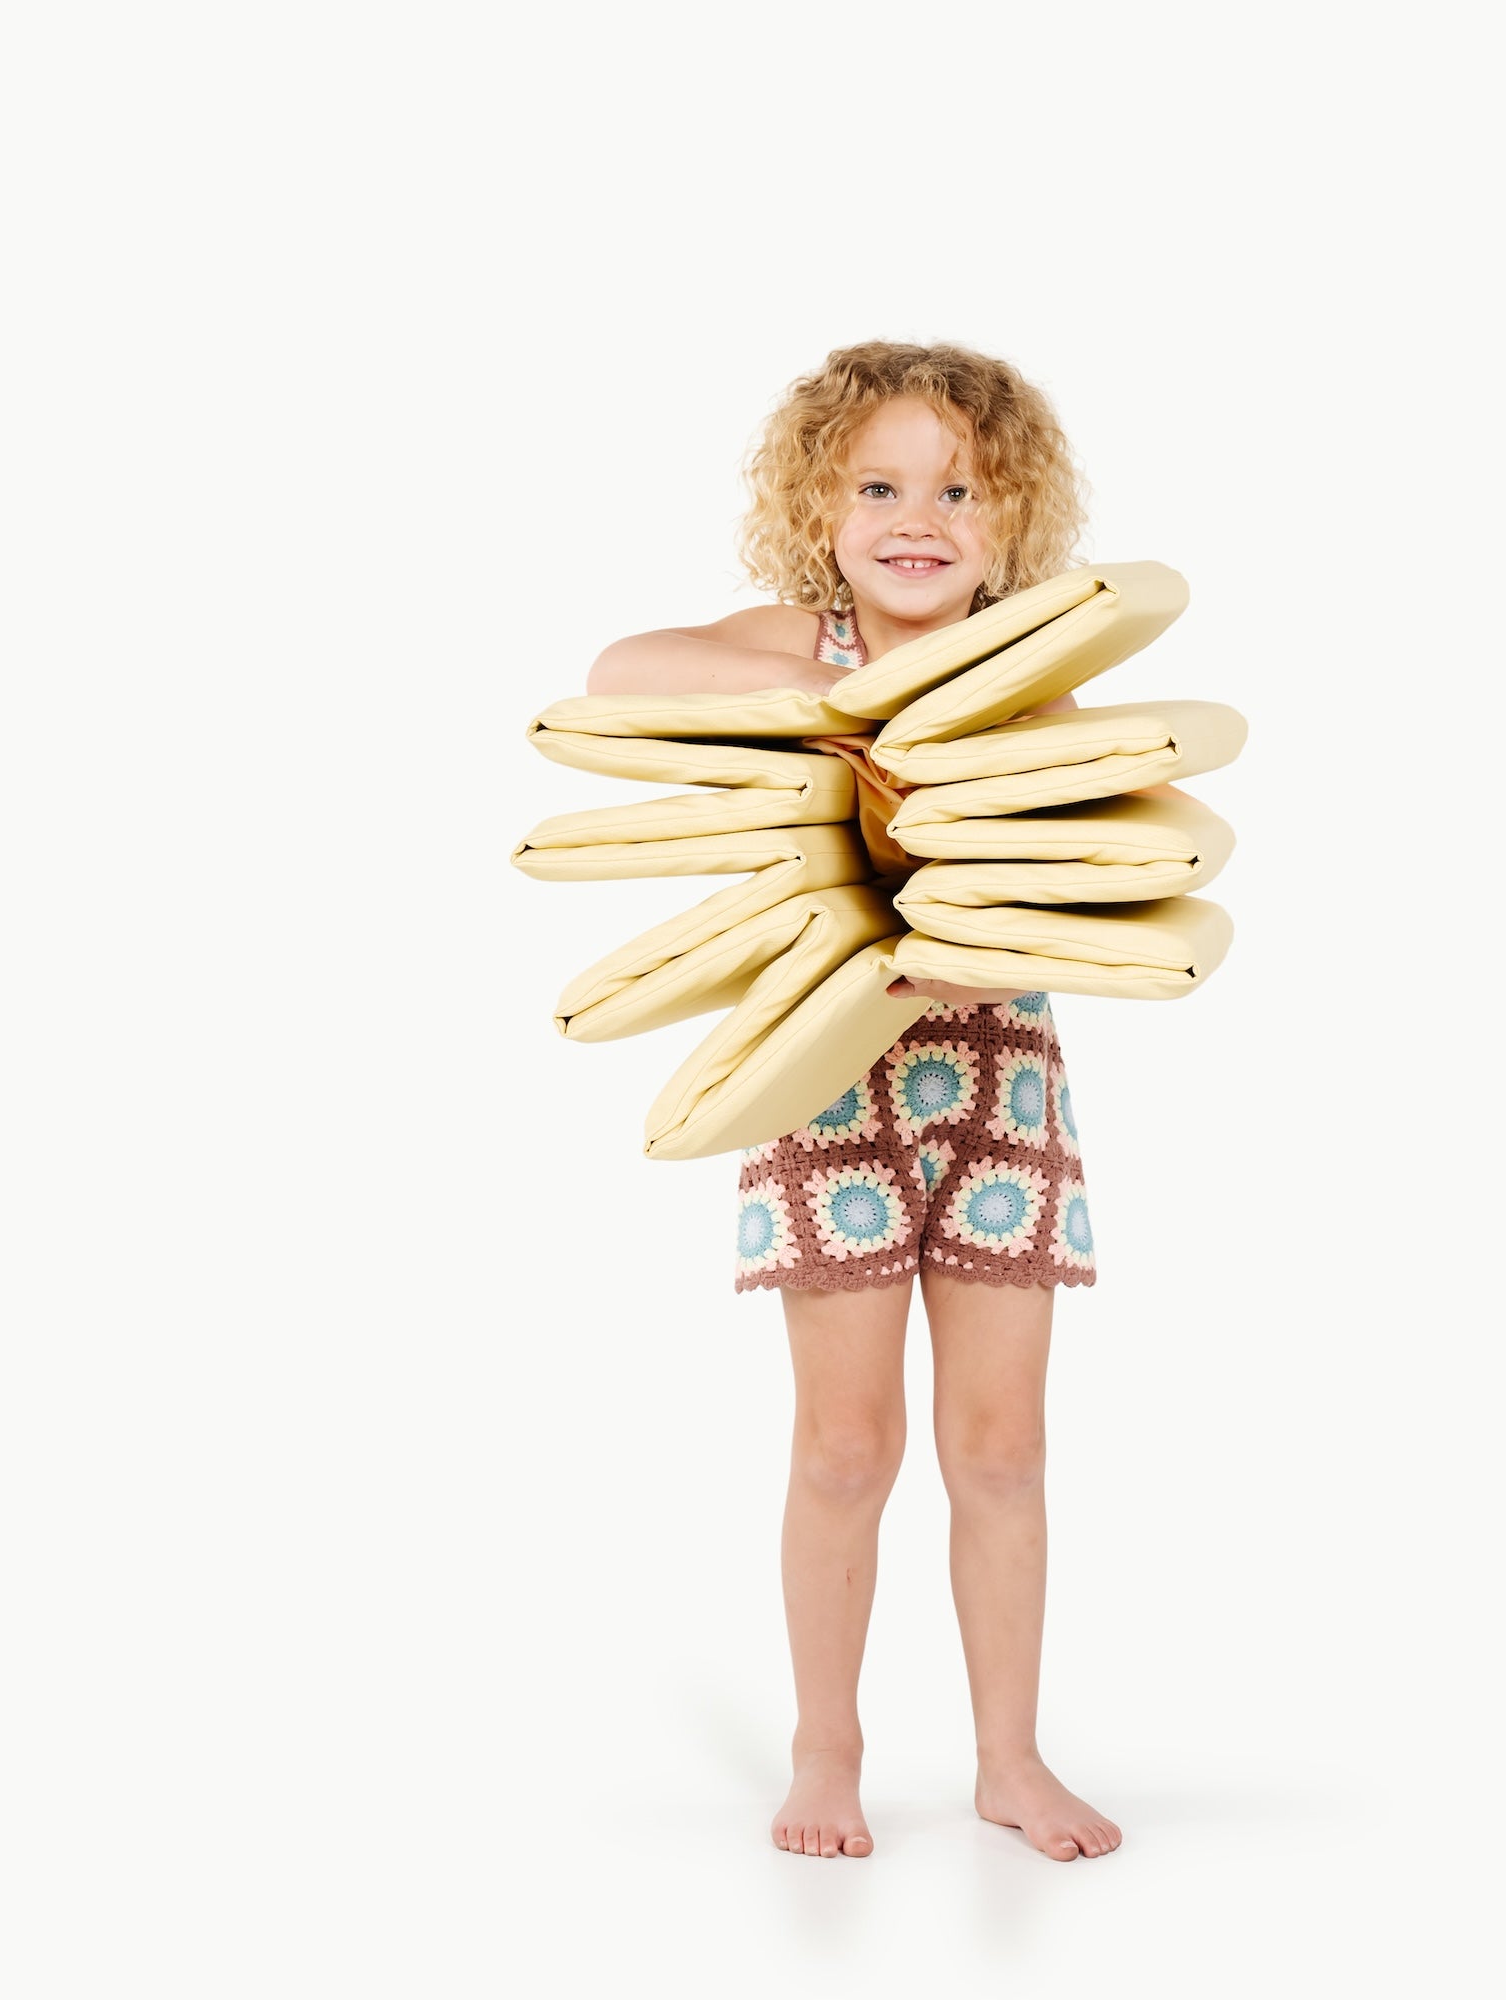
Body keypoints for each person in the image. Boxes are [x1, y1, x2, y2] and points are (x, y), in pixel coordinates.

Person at [586, 342, 1123, 1863]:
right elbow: (624, 671)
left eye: (959, 490)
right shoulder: (799, 640)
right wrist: (828, 685)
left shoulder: (1032, 664)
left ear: (1009, 520)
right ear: (820, 508)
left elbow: (1096, 839)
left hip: (996, 1086)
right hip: (827, 1082)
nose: (919, 517)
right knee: (842, 1445)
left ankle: (1009, 1759)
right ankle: (828, 1748)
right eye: (880, 486)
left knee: (1003, 1447)